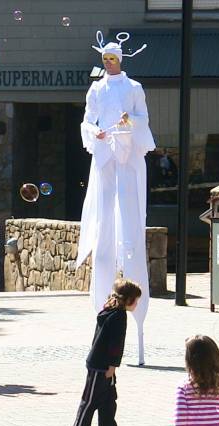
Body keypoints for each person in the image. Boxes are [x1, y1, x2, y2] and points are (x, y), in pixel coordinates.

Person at [77, 31, 155, 366]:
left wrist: (129, 122)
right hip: (105, 159)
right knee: (104, 233)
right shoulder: (96, 88)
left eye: (113, 59)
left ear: (120, 60)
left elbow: (143, 119)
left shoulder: (133, 87)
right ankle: (101, 314)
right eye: (105, 59)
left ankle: (137, 324)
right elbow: (88, 119)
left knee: (131, 235)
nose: (108, 64)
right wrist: (95, 131)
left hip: (126, 157)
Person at [72, 278, 141, 426]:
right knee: (91, 398)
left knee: (109, 398)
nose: (137, 304)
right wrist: (112, 366)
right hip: (101, 365)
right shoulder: (119, 316)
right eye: (137, 300)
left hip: (101, 362)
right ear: (129, 300)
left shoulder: (110, 311)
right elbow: (115, 344)